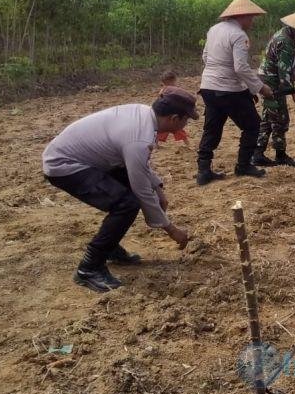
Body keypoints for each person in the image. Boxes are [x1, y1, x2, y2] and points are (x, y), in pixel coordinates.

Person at [42, 87, 193, 292]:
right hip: (64, 165)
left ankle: (110, 247)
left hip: (94, 160)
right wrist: (171, 229)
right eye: (187, 120)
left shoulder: (143, 114)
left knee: (129, 197)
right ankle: (89, 268)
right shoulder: (139, 137)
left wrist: (159, 190)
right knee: (127, 203)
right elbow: (141, 189)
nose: (187, 124)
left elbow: (140, 166)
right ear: (174, 118)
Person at [197, 0, 273, 184]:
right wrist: (260, 87)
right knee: (252, 125)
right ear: (243, 16)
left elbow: (205, 57)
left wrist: (217, 73)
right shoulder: (239, 35)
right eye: (251, 18)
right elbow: (240, 67)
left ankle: (203, 170)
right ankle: (243, 165)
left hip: (208, 86)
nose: (252, 22)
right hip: (228, 89)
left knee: (212, 128)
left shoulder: (214, 30)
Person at [252, 9, 295, 167]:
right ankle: (280, 155)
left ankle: (258, 153)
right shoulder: (286, 42)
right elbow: (284, 74)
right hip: (272, 82)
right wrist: (294, 93)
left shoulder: (283, 34)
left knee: (268, 118)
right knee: (281, 119)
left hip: (267, 78)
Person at [155, 69, 191, 149]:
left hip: (174, 114)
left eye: (169, 82)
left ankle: (187, 143)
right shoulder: (164, 90)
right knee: (162, 130)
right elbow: (160, 101)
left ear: (174, 80)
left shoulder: (175, 90)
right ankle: (156, 143)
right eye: (166, 83)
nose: (167, 84)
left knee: (178, 129)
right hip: (167, 113)